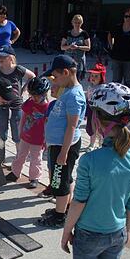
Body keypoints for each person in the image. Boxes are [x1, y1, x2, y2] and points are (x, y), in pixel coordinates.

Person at [61, 82, 130, 259]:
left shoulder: (89, 160)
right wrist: (127, 231)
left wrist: (66, 232)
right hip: (118, 232)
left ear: (97, 121)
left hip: (89, 234)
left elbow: (78, 202)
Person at [36, 55, 86, 227]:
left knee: (59, 182)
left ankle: (59, 217)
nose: (54, 81)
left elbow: (72, 126)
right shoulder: (68, 90)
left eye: (56, 77)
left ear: (66, 72)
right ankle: (64, 208)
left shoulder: (74, 96)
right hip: (58, 145)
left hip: (64, 147)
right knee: (65, 178)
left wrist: (63, 153)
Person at [0, 45, 35, 158]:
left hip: (16, 104)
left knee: (17, 129)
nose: (0, 59)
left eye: (3, 57)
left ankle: (19, 156)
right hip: (1, 104)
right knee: (1, 128)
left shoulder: (18, 69)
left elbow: (32, 76)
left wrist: (24, 89)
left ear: (10, 58)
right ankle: (0, 156)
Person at [5, 77, 50, 189]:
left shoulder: (47, 107)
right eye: (32, 95)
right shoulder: (29, 103)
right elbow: (24, 117)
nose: (34, 98)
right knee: (20, 155)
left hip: (38, 140)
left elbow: (48, 125)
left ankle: (34, 178)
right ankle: (15, 173)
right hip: (26, 136)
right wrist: (20, 131)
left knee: (36, 159)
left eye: (37, 96)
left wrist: (46, 140)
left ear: (44, 94)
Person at [38, 77, 65, 198]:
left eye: (55, 86)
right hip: (50, 142)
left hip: (60, 143)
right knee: (50, 166)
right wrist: (44, 137)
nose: (51, 89)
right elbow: (46, 122)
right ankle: (52, 186)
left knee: (60, 171)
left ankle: (60, 194)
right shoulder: (52, 104)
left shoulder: (65, 106)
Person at [108, 8, 130, 89]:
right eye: (126, 16)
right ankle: (115, 100)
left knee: (128, 81)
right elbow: (110, 35)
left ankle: (128, 100)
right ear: (123, 17)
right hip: (117, 58)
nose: (128, 18)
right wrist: (111, 45)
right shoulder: (117, 27)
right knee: (116, 81)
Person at [80, 62, 106, 152]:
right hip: (91, 110)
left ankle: (101, 144)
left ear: (101, 78)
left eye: (96, 76)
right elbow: (87, 99)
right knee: (91, 128)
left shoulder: (103, 88)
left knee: (100, 128)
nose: (93, 78)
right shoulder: (90, 86)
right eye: (92, 76)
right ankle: (91, 144)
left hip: (99, 111)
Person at [61, 14, 91, 81]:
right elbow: (62, 47)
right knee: (67, 81)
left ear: (81, 23)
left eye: (79, 23)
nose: (77, 24)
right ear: (72, 23)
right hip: (68, 62)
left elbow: (88, 48)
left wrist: (78, 47)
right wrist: (69, 46)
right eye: (75, 22)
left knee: (77, 81)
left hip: (79, 63)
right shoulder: (67, 33)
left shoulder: (84, 34)